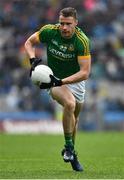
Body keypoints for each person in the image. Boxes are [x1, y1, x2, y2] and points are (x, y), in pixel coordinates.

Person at [25, 7, 91, 172]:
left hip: (75, 81)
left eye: (68, 24)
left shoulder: (81, 41)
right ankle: (68, 148)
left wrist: (63, 81)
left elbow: (85, 72)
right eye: (62, 23)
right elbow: (29, 42)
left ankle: (72, 152)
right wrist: (32, 60)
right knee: (69, 104)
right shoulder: (50, 31)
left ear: (75, 23)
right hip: (53, 80)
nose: (64, 28)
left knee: (75, 119)